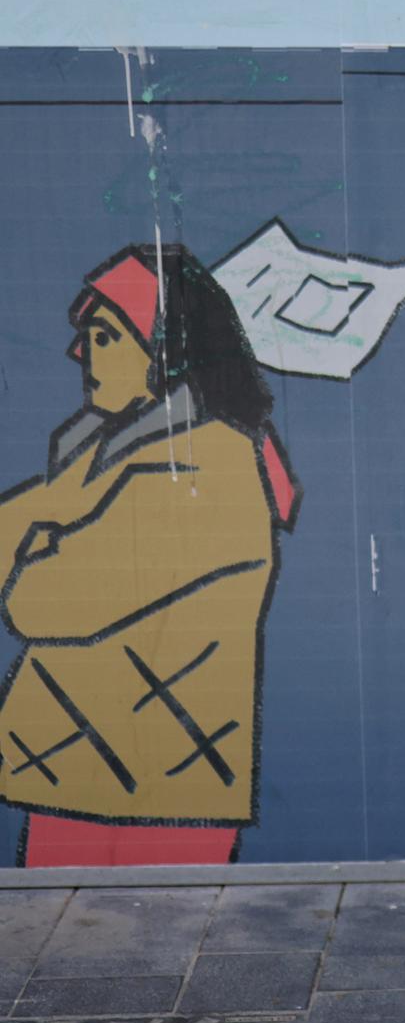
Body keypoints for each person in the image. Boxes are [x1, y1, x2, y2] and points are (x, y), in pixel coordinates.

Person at [0, 244, 299, 866]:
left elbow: (43, 602)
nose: (80, 352)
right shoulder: (101, 450)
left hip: (159, 790)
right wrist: (50, 528)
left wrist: (45, 532)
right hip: (74, 770)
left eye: (105, 335)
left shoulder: (205, 465)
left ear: (165, 349)